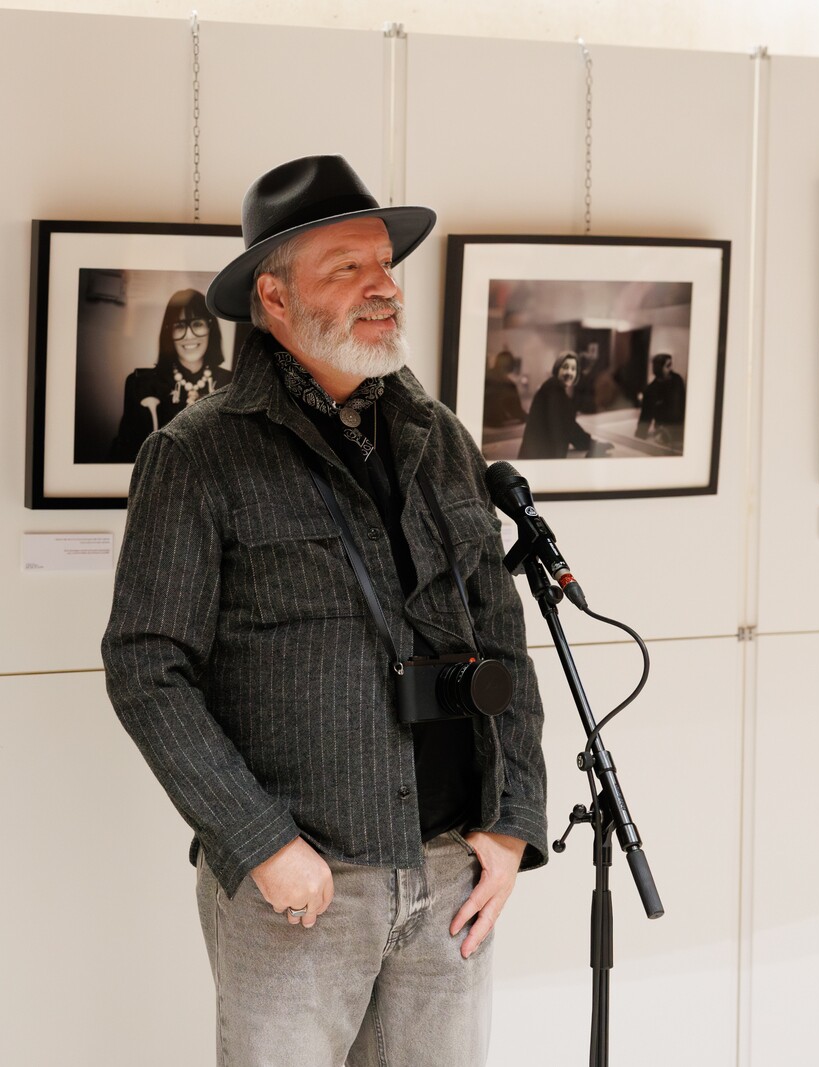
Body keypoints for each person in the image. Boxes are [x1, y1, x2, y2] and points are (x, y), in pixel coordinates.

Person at [102, 155, 547, 1067]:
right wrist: (260, 842)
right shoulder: (198, 456)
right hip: (300, 887)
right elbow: (146, 667)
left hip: (451, 873)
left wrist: (512, 823)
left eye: (384, 263)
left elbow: (502, 634)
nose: (384, 286)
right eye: (348, 267)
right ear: (274, 297)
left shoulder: (441, 436)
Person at [109, 288, 226, 462]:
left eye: (197, 324)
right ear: (169, 332)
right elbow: (125, 455)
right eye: (179, 326)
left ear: (211, 327)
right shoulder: (140, 384)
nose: (189, 335)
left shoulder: (234, 383)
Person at [517, 350, 596, 459]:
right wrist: (591, 443)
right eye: (565, 367)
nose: (569, 372)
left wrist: (589, 442)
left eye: (573, 369)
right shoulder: (554, 391)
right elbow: (566, 428)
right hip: (541, 460)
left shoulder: (554, 388)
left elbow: (569, 426)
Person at [635, 353, 686, 449]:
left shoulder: (677, 380)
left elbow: (684, 404)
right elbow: (646, 415)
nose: (671, 368)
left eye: (671, 364)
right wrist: (640, 435)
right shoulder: (651, 390)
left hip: (680, 426)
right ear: (659, 368)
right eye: (668, 366)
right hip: (663, 428)